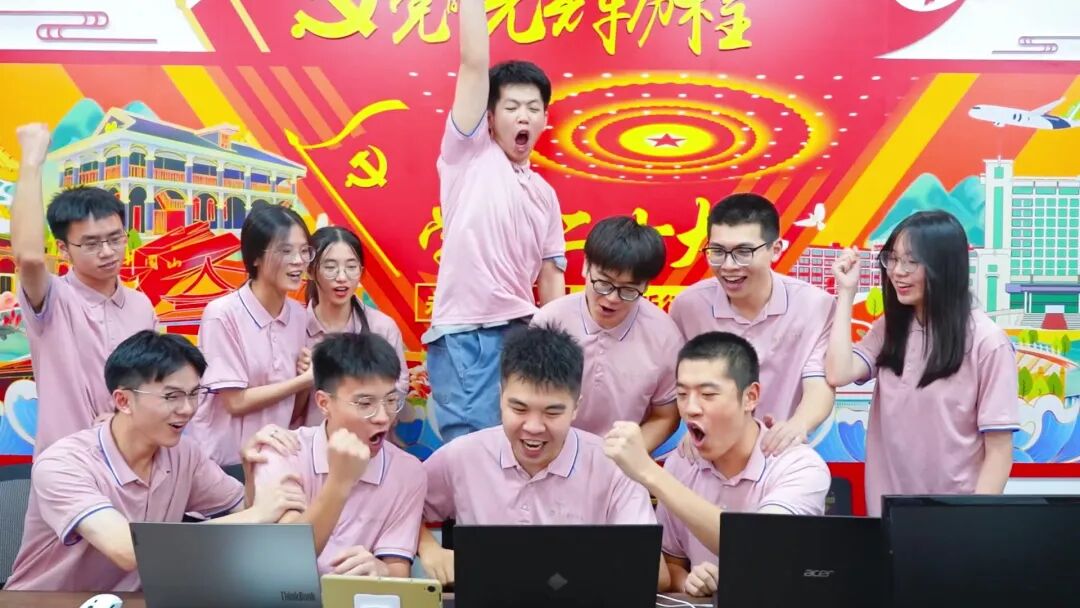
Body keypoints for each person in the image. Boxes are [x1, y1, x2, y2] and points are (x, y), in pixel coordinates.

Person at [4, 331, 307, 592]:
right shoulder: (63, 464)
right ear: (123, 401)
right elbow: (127, 549)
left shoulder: (185, 455)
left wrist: (252, 473)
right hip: (43, 602)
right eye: (172, 396)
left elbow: (249, 512)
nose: (187, 409)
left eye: (194, 394)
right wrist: (258, 515)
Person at [417, 325, 667, 591]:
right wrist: (429, 548)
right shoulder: (462, 456)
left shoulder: (614, 468)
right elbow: (400, 507)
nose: (534, 427)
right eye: (519, 408)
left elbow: (656, 574)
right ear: (500, 397)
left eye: (552, 412)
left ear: (576, 407)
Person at [424, 0, 566, 442]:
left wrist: (554, 346)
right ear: (488, 117)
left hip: (522, 332)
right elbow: (473, 64)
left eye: (534, 108)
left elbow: (551, 278)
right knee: (471, 451)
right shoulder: (469, 153)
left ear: (545, 118)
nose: (523, 116)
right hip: (467, 333)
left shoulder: (544, 194)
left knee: (517, 448)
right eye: (512, 106)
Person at [604, 331, 831, 598]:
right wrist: (691, 583)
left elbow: (760, 548)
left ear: (751, 397)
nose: (691, 408)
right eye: (682, 394)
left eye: (708, 394)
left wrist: (648, 472)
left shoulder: (800, 467)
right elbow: (673, 563)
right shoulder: (682, 463)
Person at [825, 211, 1019, 517]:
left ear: (944, 266)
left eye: (911, 262)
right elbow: (838, 373)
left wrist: (976, 522)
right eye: (892, 259)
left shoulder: (988, 342)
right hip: (888, 516)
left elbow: (999, 451)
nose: (897, 272)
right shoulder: (890, 329)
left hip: (956, 519)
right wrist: (846, 293)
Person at [11, 123, 157, 456]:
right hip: (67, 462)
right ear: (63, 249)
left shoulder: (141, 306)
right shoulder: (52, 297)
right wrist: (32, 160)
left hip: (134, 459)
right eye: (91, 243)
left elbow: (154, 383)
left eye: (115, 239)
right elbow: (29, 257)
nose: (108, 252)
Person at [669, 193, 835, 456]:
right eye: (717, 252)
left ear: (775, 249)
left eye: (743, 252)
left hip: (781, 450)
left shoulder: (815, 305)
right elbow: (678, 386)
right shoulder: (688, 307)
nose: (728, 266)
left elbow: (819, 382)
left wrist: (797, 425)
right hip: (709, 452)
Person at [252, 332, 426, 577]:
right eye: (365, 404)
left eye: (390, 400)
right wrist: (339, 482)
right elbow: (289, 558)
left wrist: (383, 571)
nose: (382, 417)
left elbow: (398, 567)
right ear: (324, 403)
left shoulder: (408, 472)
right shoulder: (283, 452)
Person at [532, 216, 681, 451]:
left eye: (628, 290)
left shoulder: (664, 336)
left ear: (646, 286)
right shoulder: (549, 322)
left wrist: (621, 457)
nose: (612, 298)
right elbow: (527, 400)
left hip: (620, 459)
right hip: (553, 450)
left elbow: (666, 416)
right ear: (585, 266)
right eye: (603, 283)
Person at [190, 203, 313, 465]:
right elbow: (234, 402)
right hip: (226, 463)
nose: (298, 261)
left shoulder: (299, 314)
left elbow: (294, 409)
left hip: (275, 460)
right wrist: (303, 381)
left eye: (304, 251)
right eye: (285, 251)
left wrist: (306, 378)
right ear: (255, 257)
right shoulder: (222, 314)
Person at [300, 226, 409, 426]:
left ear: (361, 271)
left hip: (368, 440)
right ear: (310, 271)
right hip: (309, 442)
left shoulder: (381, 327)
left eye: (351, 267)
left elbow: (398, 389)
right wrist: (304, 380)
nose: (342, 277)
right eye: (330, 267)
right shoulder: (294, 329)